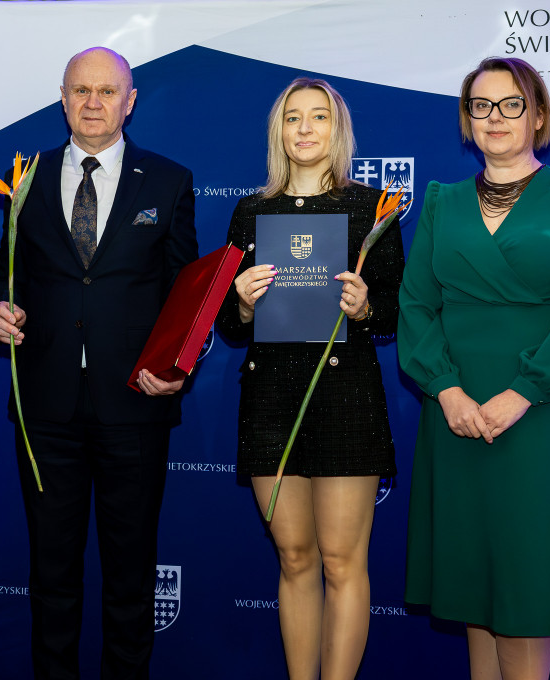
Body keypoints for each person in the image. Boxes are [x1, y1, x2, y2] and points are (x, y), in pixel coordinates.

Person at [398, 57, 550, 680]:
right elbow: (416, 306)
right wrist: (447, 390)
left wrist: (523, 392)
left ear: (538, 115)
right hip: (457, 413)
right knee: (475, 586)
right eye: (481, 106)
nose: (495, 117)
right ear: (466, 120)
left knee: (527, 585)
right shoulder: (440, 203)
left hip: (541, 413)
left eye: (511, 104)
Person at [0, 46, 198, 679]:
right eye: (81, 90)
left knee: (130, 577)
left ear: (129, 102)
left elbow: (185, 294)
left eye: (107, 91)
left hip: (134, 405)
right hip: (45, 410)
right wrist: (1, 310)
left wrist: (180, 366)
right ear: (62, 98)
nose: (93, 102)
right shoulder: (24, 178)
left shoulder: (168, 180)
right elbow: (6, 275)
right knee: (51, 576)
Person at [215, 77, 403, 680]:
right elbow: (228, 325)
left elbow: (395, 311)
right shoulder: (251, 212)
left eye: (318, 116)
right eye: (293, 117)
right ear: (278, 130)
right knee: (295, 558)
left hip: (346, 400)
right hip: (271, 400)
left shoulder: (370, 209)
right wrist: (243, 304)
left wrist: (365, 307)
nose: (304, 128)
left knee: (342, 562)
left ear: (337, 129)